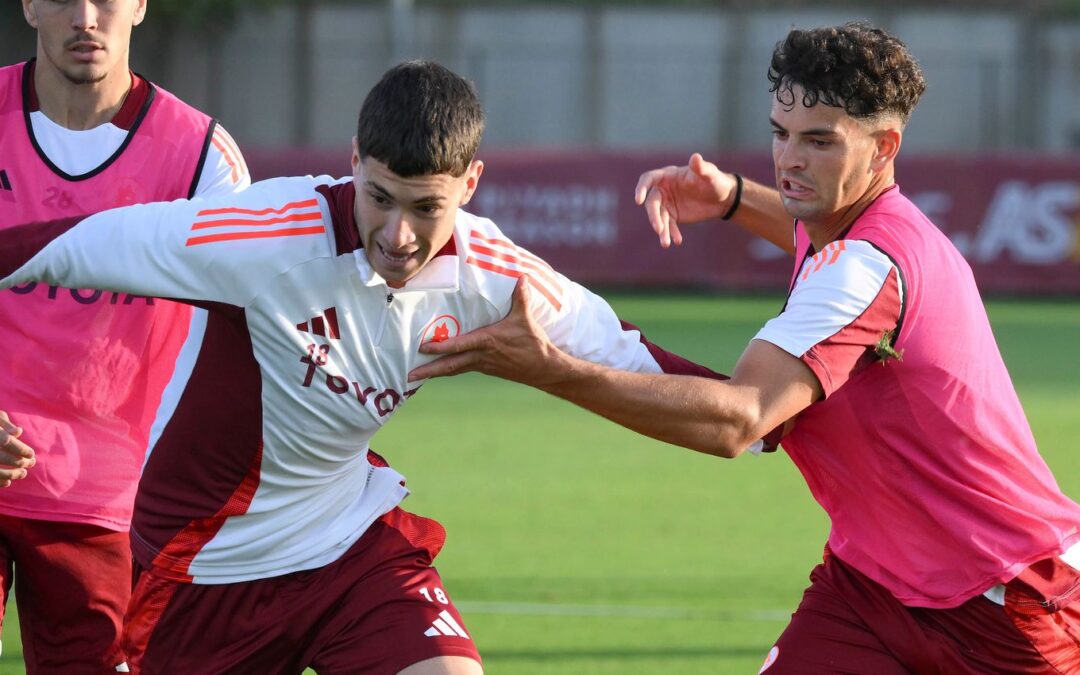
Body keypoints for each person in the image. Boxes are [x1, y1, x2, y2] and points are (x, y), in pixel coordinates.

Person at [0, 59, 742, 674]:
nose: (397, 235)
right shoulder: (260, 236)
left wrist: (781, 408)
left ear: (471, 185)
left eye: (426, 208)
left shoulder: (495, 279)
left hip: (345, 545)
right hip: (202, 571)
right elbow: (52, 245)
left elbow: (652, 367)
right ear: (354, 159)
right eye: (379, 198)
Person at [411, 22, 1080, 673]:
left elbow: (738, 419)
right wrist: (731, 198)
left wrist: (550, 370)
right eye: (780, 134)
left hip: (1006, 600)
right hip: (871, 584)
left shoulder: (862, 267)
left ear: (883, 147)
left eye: (819, 141)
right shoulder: (854, 221)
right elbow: (804, 224)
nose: (791, 158)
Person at [0, 0, 250, 671]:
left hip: (110, 501)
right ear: (28, 5)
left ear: (139, 4)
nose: (86, 16)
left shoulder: (201, 158)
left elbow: (241, 339)